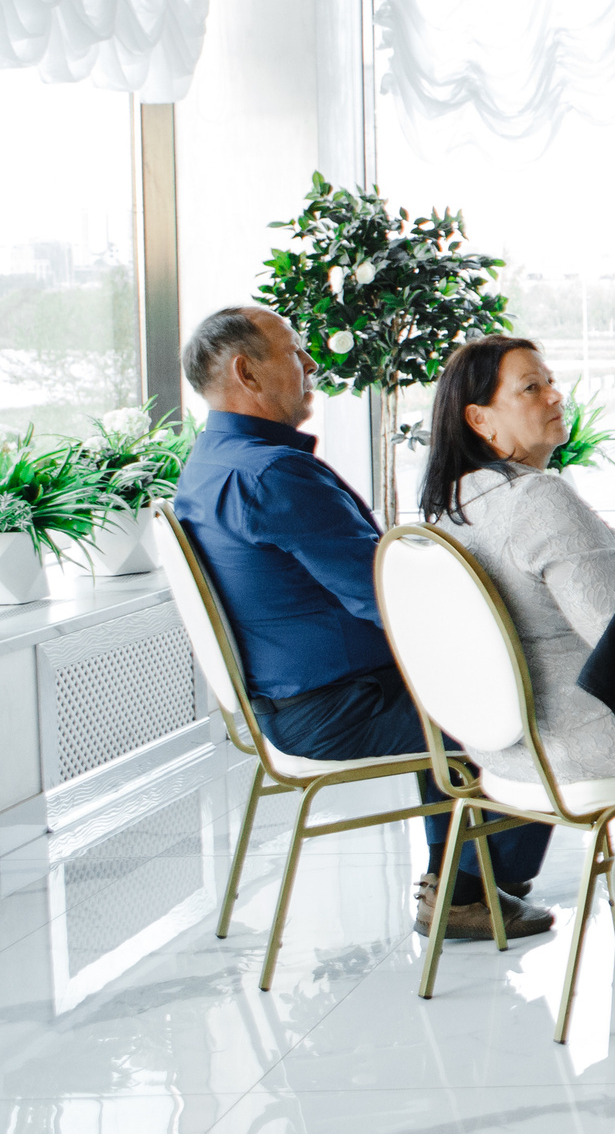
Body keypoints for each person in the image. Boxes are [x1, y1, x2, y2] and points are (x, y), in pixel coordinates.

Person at [170, 306, 553, 941]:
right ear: (247, 371)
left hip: (284, 702)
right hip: (332, 708)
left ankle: (472, 871)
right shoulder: (272, 474)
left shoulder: (212, 463)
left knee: (470, 684)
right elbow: (383, 596)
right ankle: (466, 890)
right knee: (518, 701)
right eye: (294, 351)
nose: (311, 364)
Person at [419, 335, 615, 790]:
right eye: (531, 388)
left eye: (551, 382)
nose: (556, 396)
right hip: (592, 739)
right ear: (480, 419)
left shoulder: (452, 508)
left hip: (504, 750)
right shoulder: (537, 498)